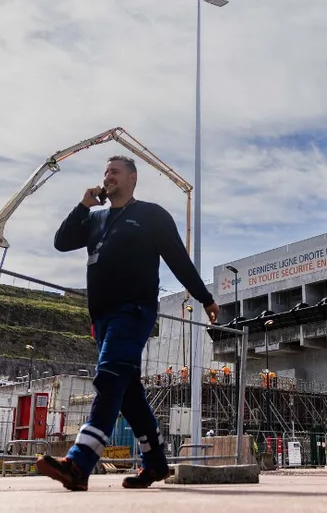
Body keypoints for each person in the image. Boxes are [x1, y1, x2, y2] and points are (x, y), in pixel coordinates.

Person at [37, 154, 219, 491]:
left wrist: (204, 297)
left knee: (109, 377)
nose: (108, 177)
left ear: (133, 179)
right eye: (106, 172)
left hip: (134, 311)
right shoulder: (95, 218)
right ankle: (156, 463)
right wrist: (83, 205)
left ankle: (80, 462)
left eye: (116, 172)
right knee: (129, 393)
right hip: (102, 318)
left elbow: (178, 258)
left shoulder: (151, 215)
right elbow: (61, 242)